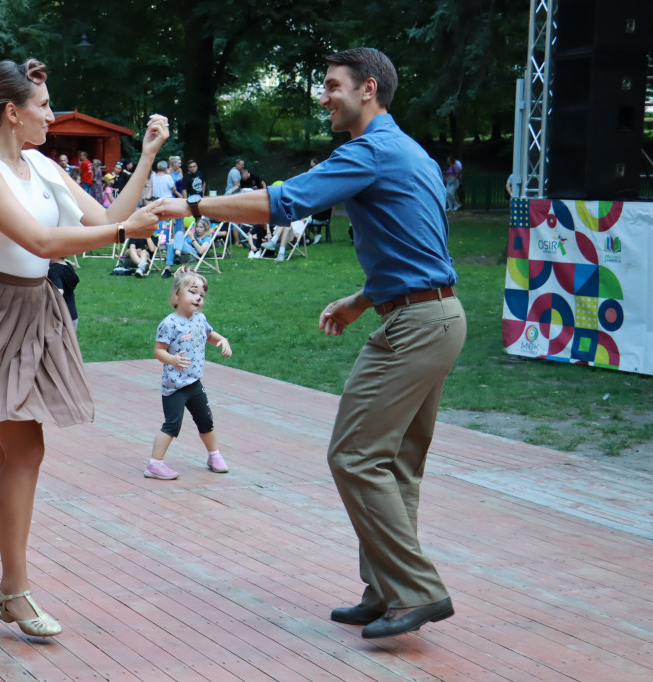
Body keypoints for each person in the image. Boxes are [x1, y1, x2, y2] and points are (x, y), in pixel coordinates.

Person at [160, 47, 465, 639]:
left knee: (353, 456)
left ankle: (417, 591)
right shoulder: (411, 151)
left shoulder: (371, 150)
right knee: (395, 463)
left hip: (417, 326)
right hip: (437, 315)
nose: (322, 96)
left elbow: (283, 203)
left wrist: (192, 204)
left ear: (367, 89)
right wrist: (361, 300)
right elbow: (419, 247)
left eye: (332, 86)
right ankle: (386, 591)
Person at [0, 57, 168, 638]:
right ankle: (16, 591)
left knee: (14, 455)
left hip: (35, 310)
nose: (53, 115)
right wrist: (125, 233)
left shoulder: (39, 163)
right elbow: (44, 240)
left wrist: (145, 158)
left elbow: (102, 218)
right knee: (23, 453)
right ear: (13, 112)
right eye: (46, 107)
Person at [144, 268, 232, 480]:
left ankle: (214, 456)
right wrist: (172, 359)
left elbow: (209, 335)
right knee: (172, 425)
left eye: (201, 295)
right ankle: (154, 465)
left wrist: (222, 340)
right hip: (174, 387)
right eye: (193, 292)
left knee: (206, 421)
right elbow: (158, 350)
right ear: (177, 295)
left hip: (194, 383)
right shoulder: (169, 323)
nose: (199, 298)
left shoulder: (200, 319)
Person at [46, 256, 79, 329]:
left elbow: (59, 292)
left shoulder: (54, 270)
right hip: (72, 314)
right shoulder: (68, 265)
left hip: (61, 317)